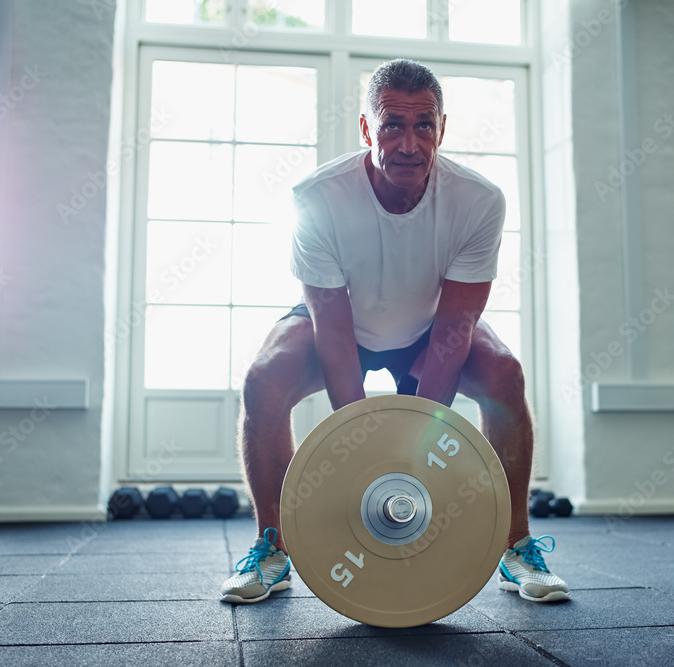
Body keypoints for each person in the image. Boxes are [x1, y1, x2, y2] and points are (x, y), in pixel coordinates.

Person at [220, 59, 569, 606]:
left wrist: (413, 450)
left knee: (505, 373)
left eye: (423, 125)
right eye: (391, 125)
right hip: (342, 325)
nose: (408, 143)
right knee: (264, 379)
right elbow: (333, 336)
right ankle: (272, 547)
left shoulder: (478, 201)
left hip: (430, 327)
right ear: (366, 129)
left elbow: (455, 330)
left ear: (442, 129)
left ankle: (517, 545)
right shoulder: (317, 197)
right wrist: (362, 455)